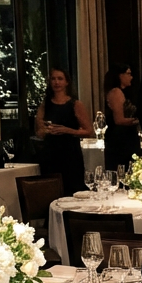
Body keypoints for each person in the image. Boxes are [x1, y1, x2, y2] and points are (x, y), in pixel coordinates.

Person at [34, 67, 94, 197]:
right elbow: (39, 132)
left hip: (70, 154)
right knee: (51, 191)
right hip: (50, 153)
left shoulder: (75, 104)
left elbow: (89, 131)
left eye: (60, 79)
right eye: (53, 79)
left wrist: (67, 130)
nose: (56, 82)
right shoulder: (45, 104)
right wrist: (46, 130)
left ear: (67, 82)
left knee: (72, 190)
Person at [103, 63, 140, 171]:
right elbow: (119, 120)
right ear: (120, 75)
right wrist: (138, 120)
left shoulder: (125, 92)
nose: (131, 77)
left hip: (126, 137)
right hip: (120, 139)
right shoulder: (116, 92)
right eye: (128, 74)